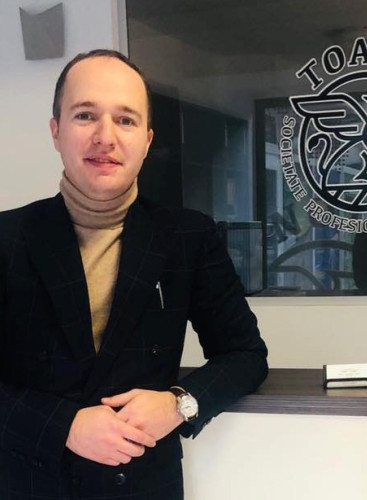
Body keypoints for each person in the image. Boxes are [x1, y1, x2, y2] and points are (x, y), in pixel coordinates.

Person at [0, 49, 268, 499]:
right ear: (56, 130)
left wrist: (179, 403)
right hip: (31, 481)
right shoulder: (7, 237)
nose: (105, 137)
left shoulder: (188, 236)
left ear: (146, 140)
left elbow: (245, 355)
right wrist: (63, 425)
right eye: (85, 115)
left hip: (143, 484)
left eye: (125, 120)